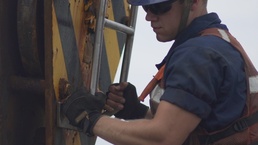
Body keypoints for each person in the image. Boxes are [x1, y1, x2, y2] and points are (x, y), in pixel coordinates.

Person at [62, 0, 249, 144]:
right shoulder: (216, 41)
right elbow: (191, 126)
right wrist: (136, 112)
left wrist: (90, 119)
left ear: (194, 2)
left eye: (160, 7)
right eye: (146, 8)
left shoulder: (198, 54)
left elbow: (164, 138)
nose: (149, 17)